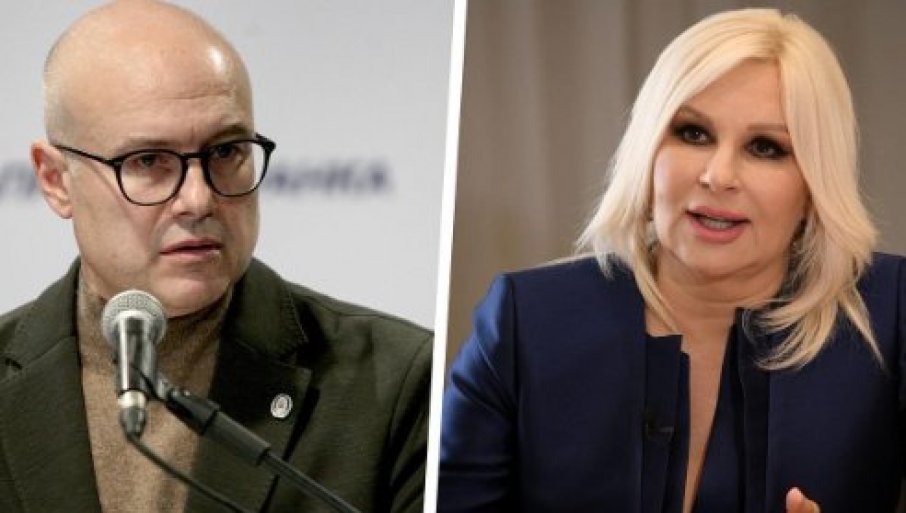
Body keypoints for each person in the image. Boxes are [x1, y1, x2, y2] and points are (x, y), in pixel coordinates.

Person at [439, 8, 904, 513]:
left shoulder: (893, 314)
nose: (718, 176)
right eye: (693, 133)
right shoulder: (526, 320)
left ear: (815, 183)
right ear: (647, 150)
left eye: (765, 147)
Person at [0, 1, 431, 512]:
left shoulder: (400, 384)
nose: (199, 199)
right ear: (55, 180)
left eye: (226, 152)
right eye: (148, 161)